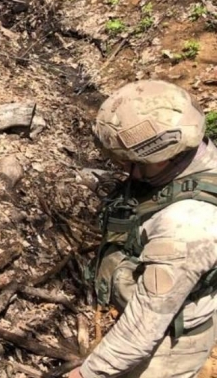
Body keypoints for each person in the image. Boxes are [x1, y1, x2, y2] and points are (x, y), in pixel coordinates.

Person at [70, 80, 217, 378]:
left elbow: (141, 331)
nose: (126, 169)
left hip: (165, 349)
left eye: (131, 162)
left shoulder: (186, 228)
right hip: (155, 319)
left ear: (161, 156)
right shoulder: (193, 158)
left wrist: (86, 374)